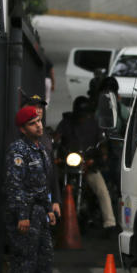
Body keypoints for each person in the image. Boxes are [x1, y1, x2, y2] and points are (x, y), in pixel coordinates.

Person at [5, 106, 66, 273]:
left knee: (45, 258)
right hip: (27, 213)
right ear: (23, 129)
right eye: (32, 123)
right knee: (25, 259)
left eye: (39, 121)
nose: (39, 125)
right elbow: (16, 186)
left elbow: (45, 184)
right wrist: (22, 215)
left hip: (41, 211)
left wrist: (49, 208)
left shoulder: (40, 149)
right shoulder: (18, 151)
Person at [54, 96, 117, 233]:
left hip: (87, 165)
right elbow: (57, 137)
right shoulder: (66, 122)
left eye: (85, 115)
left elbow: (102, 144)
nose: (82, 117)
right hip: (67, 165)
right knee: (52, 184)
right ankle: (50, 217)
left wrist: (98, 157)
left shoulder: (95, 125)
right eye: (80, 115)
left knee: (102, 190)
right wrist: (55, 151)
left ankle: (110, 223)